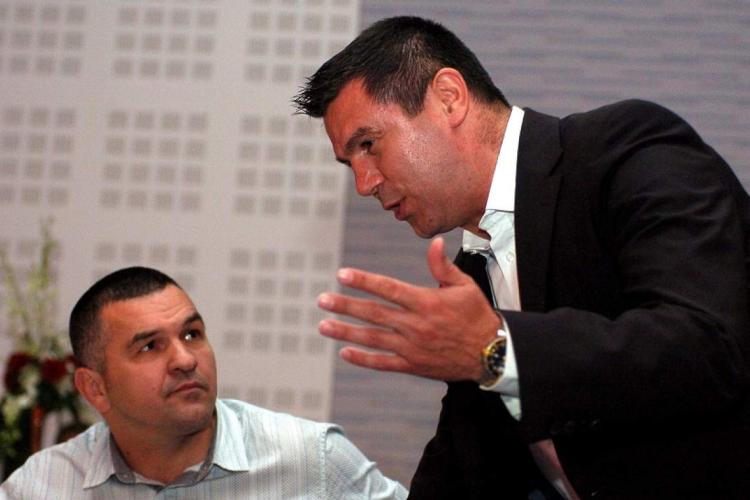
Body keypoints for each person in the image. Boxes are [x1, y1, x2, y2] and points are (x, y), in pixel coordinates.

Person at [293, 15, 750, 499]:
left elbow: (707, 346)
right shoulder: (474, 267)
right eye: (350, 163)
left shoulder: (626, 149)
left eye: (368, 145)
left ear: (449, 97)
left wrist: (496, 352)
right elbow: (463, 464)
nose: (364, 184)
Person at [0, 267, 407, 499]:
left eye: (192, 334)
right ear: (95, 388)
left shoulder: (312, 460)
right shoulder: (43, 487)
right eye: (150, 347)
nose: (185, 359)